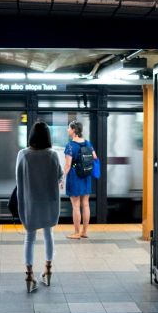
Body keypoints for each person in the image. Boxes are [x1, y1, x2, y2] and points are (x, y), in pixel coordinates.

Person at [16, 121, 63, 293]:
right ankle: (48, 270)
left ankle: (29, 275)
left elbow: (18, 177)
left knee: (30, 238)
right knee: (48, 234)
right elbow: (59, 175)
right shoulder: (52, 154)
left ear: (32, 136)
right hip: (49, 201)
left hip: (30, 202)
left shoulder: (23, 154)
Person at [62, 121, 97, 239]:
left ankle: (76, 232)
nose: (67, 130)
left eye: (69, 128)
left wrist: (61, 179)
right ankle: (84, 232)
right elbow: (95, 157)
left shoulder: (70, 145)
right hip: (86, 176)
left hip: (75, 176)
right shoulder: (87, 143)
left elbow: (67, 165)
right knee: (86, 204)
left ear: (73, 130)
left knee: (76, 205)